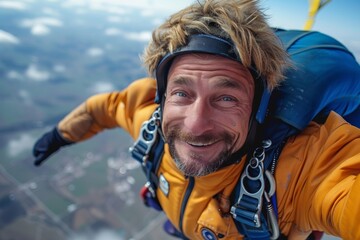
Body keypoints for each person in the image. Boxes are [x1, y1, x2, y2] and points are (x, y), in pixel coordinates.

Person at [33, 0, 360, 239]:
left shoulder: (302, 169)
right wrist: (59, 136)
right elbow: (105, 107)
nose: (194, 125)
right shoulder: (151, 120)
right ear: (161, 98)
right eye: (182, 94)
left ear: (258, 110)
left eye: (226, 97)